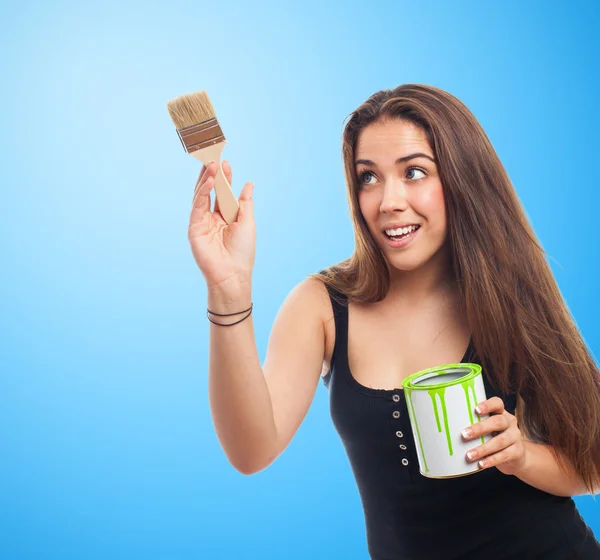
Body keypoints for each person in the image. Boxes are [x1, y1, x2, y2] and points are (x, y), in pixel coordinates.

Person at [189, 84, 600, 559]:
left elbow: (592, 464)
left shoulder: (509, 289)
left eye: (414, 172)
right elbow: (250, 451)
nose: (388, 201)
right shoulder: (322, 305)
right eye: (368, 178)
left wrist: (522, 456)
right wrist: (228, 287)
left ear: (461, 177)